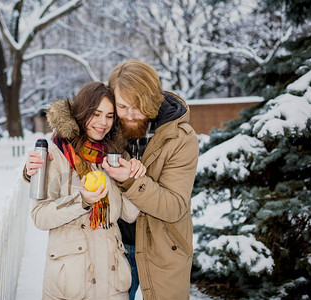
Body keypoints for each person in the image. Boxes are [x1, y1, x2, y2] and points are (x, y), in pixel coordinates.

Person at [22, 82, 146, 299]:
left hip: (113, 283)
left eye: (109, 116)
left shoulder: (115, 155)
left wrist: (132, 178)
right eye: (96, 114)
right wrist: (82, 200)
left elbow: (130, 214)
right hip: (71, 283)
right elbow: (40, 216)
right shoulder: (55, 153)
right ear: (81, 113)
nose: (103, 123)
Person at [100, 59, 199, 300]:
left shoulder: (180, 138)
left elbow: (175, 205)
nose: (130, 115)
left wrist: (132, 182)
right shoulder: (104, 124)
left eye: (138, 106)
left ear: (153, 99)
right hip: (111, 247)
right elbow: (66, 152)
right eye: (122, 107)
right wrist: (35, 169)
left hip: (163, 248)